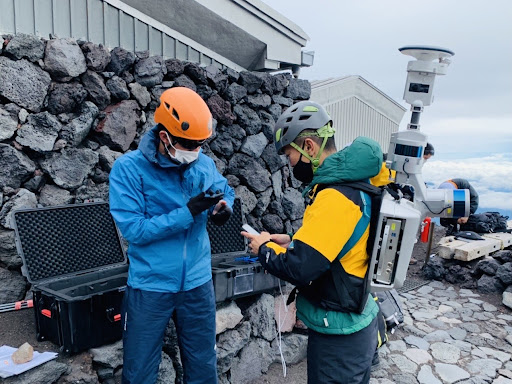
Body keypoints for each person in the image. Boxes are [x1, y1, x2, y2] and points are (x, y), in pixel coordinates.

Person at [241, 100, 382, 384]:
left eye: (290, 156)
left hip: (340, 339)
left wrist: (264, 249)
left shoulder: (334, 195)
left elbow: (302, 269)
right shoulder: (354, 183)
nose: (290, 165)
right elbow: (342, 239)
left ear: (308, 147)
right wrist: (292, 239)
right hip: (358, 323)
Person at [109, 87, 235, 384]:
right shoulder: (128, 169)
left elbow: (224, 190)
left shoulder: (202, 163)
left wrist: (223, 207)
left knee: (203, 366)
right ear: (164, 136)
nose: (195, 152)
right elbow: (134, 230)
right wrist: (187, 212)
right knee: (139, 372)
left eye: (200, 144)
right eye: (188, 144)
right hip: (150, 285)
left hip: (198, 282)